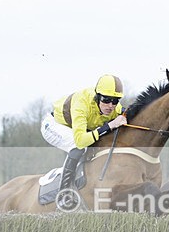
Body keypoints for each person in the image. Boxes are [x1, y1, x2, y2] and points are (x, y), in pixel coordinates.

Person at [41, 74, 127, 209]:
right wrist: (109, 126)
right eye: (106, 100)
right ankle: (64, 195)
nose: (110, 105)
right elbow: (80, 140)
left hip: (78, 129)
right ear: (97, 96)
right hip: (54, 126)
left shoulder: (114, 107)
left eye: (115, 101)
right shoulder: (81, 102)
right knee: (78, 146)